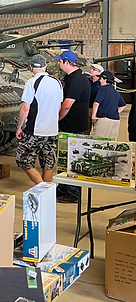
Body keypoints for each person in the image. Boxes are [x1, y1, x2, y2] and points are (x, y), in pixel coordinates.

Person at [15, 54, 63, 184]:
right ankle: (47, 192)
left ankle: (42, 188)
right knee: (48, 163)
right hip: (52, 131)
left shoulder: (32, 82)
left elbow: (25, 108)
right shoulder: (57, 82)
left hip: (35, 130)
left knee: (23, 160)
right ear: (45, 66)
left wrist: (19, 127)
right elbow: (59, 107)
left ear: (31, 67)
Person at [55, 50, 91, 203]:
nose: (58, 63)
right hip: (69, 125)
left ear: (66, 62)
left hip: (72, 126)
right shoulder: (72, 77)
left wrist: (56, 119)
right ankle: (63, 188)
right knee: (64, 158)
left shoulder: (77, 80)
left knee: (73, 159)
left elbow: (67, 105)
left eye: (60, 61)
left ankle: (72, 192)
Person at [91, 70, 127, 140]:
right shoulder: (116, 92)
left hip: (104, 120)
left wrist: (93, 116)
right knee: (111, 142)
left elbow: (96, 103)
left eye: (101, 78)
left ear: (105, 79)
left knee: (99, 142)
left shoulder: (103, 89)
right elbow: (123, 106)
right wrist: (115, 113)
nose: (99, 80)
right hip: (115, 120)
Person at [87, 63, 104, 133]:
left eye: (94, 69)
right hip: (87, 107)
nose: (91, 70)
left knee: (97, 130)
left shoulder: (102, 83)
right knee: (86, 129)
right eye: (91, 69)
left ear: (99, 73)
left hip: (98, 109)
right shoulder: (87, 81)